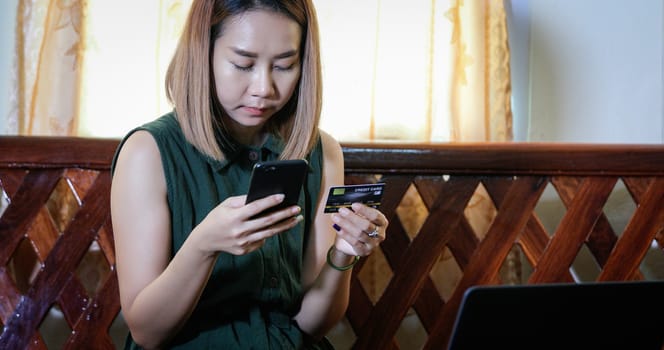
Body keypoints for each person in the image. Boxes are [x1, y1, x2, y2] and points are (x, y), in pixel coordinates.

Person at [109, 0, 389, 349]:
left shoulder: (323, 153)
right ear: (203, 52)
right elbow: (147, 333)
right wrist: (203, 246)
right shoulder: (147, 152)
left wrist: (344, 252)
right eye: (243, 64)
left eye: (285, 65)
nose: (263, 88)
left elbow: (311, 325)